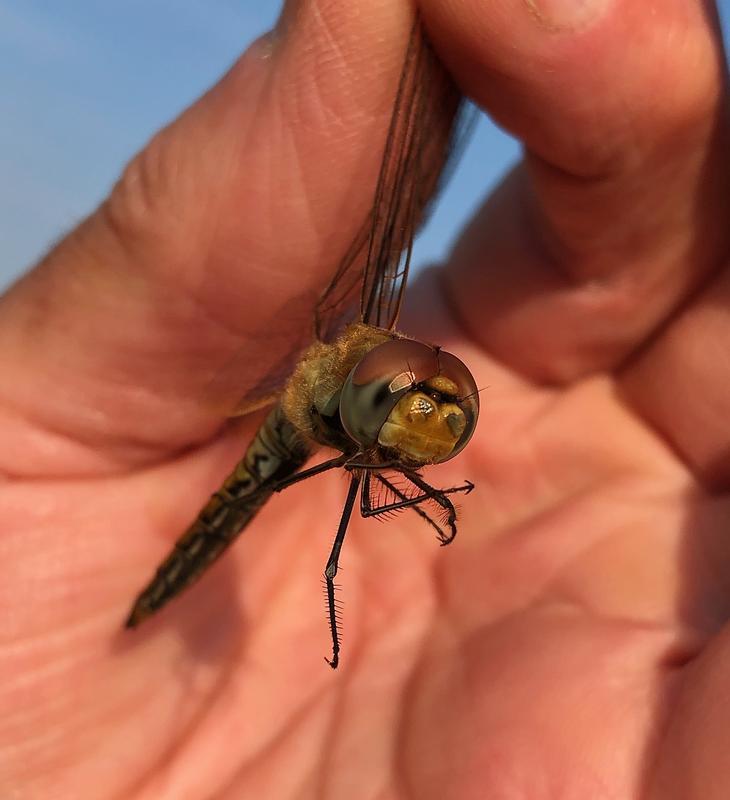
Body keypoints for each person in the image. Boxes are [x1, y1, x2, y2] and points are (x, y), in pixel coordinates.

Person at [1, 0, 728, 796]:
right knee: (330, 533)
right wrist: (423, 500)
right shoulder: (342, 375)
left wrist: (421, 489)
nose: (429, 430)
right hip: (235, 481)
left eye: (450, 421)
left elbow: (371, 476)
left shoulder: (378, 398)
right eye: (418, 416)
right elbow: (361, 509)